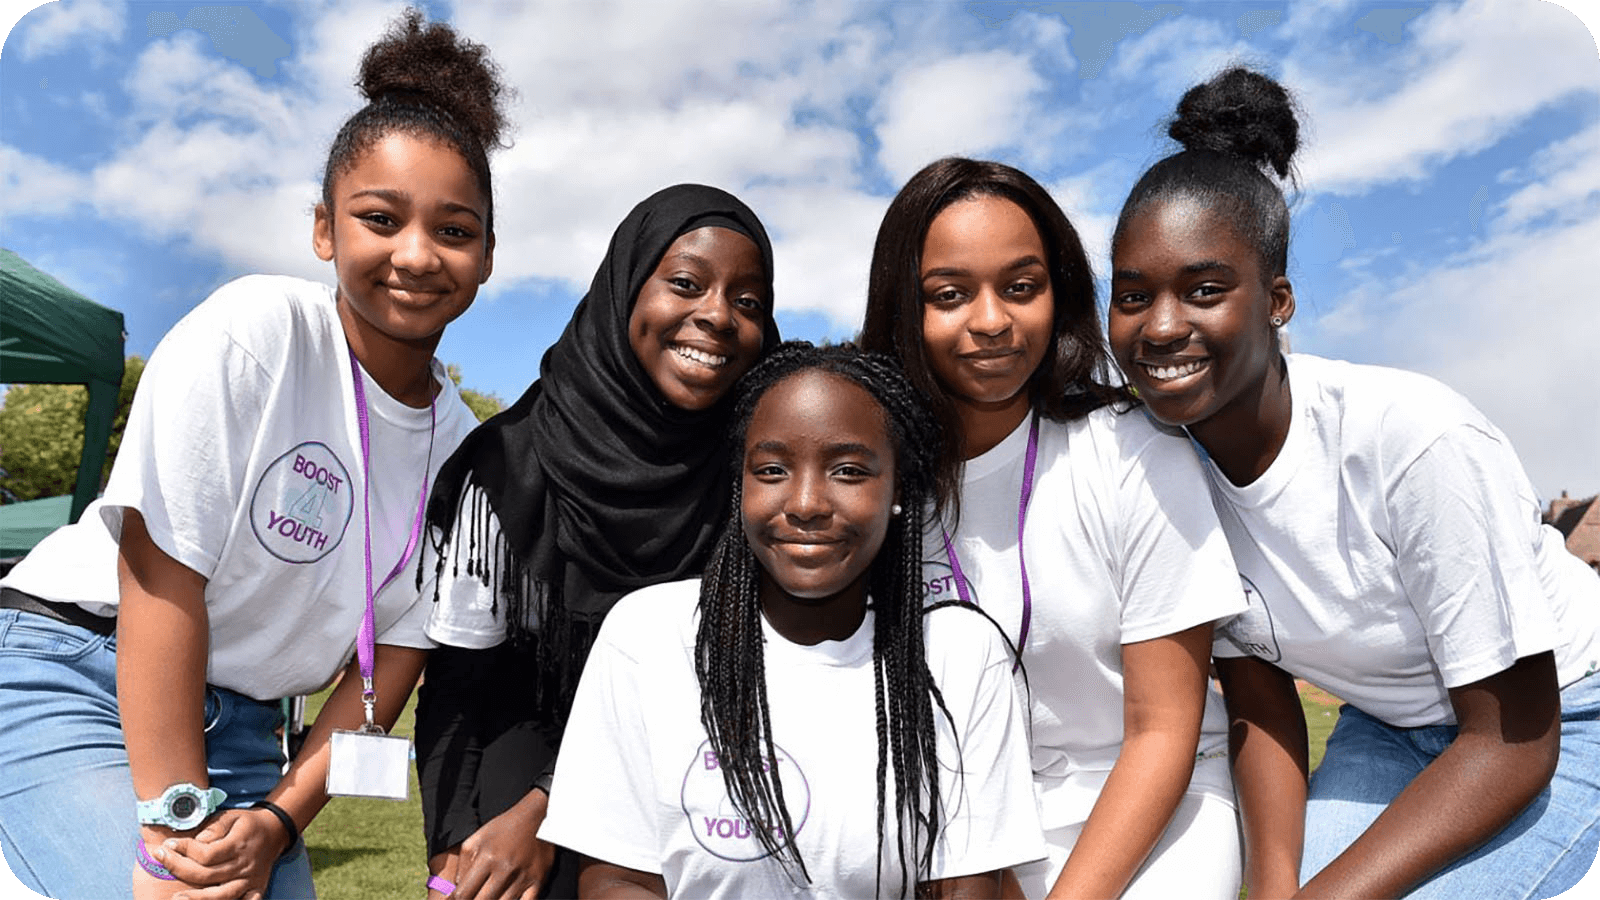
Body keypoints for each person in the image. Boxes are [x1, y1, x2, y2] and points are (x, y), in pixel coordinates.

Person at [0, 9, 504, 899]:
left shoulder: (470, 453)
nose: (417, 255)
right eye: (380, 218)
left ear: (489, 255)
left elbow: (390, 663)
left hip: (251, 735)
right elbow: (160, 575)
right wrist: (171, 823)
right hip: (74, 668)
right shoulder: (257, 334)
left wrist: (276, 822)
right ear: (325, 230)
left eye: (454, 231)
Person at [1106, 65, 1600, 900]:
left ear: (1279, 300)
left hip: (1562, 719)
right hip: (1391, 727)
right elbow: (1261, 701)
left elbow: (1514, 742)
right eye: (1131, 295)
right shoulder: (1166, 468)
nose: (1160, 326)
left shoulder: (1409, 439)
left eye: (1204, 290)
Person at [859, 158, 1246, 900]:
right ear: (904, 310)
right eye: (949, 294)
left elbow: (1163, 732)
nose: (991, 320)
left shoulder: (1133, 447)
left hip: (1158, 811)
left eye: (1020, 287)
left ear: (1057, 295)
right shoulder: (880, 482)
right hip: (970, 836)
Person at [538, 341, 1045, 898]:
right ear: (741, 486)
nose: (805, 503)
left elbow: (968, 888)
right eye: (773, 469)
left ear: (899, 487)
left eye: (849, 470)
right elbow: (616, 879)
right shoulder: (646, 638)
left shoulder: (958, 654)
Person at [415, 183, 781, 899]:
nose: (717, 315)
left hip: (700, 787)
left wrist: (550, 808)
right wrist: (454, 850)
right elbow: (459, 684)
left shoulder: (759, 472)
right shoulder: (513, 465)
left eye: (748, 301)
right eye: (686, 283)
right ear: (624, 289)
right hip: (524, 778)